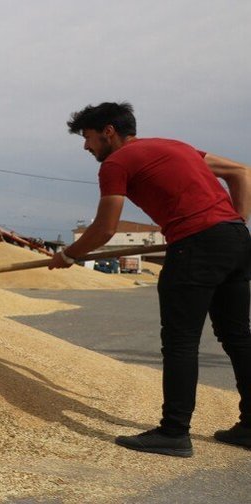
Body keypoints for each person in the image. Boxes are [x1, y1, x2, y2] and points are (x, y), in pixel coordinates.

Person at [50, 102, 251, 457]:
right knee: (237, 336)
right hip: (236, 241)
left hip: (195, 246)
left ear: (108, 131)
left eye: (88, 138)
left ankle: (174, 432)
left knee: (180, 341)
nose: (86, 147)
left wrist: (69, 254)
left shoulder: (116, 163)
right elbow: (241, 172)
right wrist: (232, 223)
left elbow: (105, 228)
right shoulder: (177, 147)